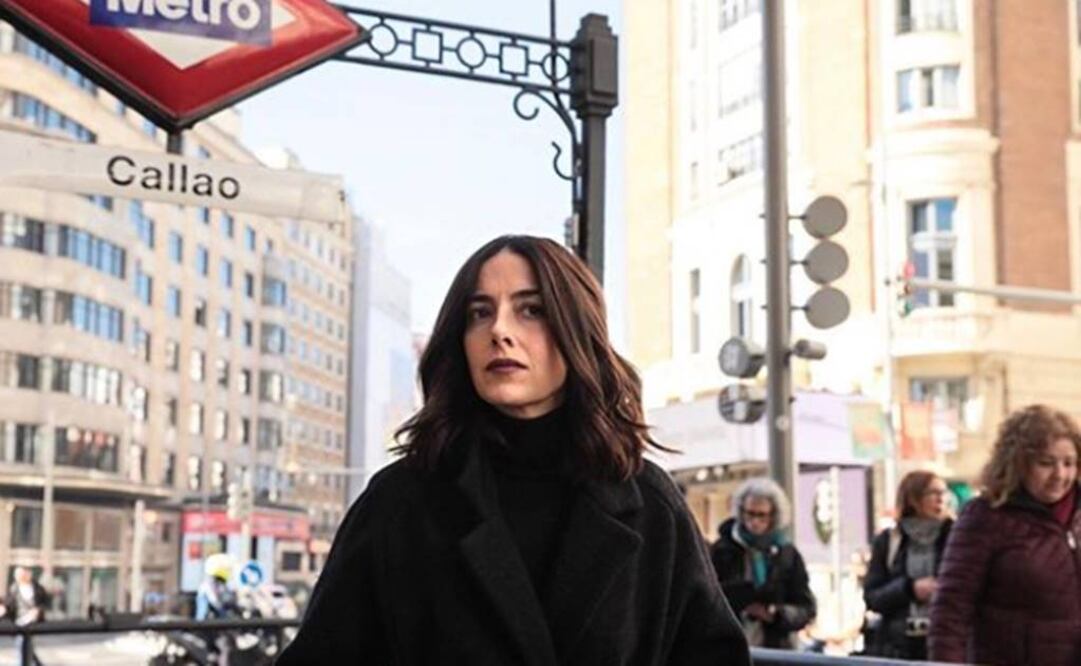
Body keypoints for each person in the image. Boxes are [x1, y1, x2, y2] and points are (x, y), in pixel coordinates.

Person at [278, 235, 751, 665]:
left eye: (531, 309)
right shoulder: (400, 500)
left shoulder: (648, 502)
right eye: (479, 313)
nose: (499, 331)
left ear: (575, 330)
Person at [929, 404, 1081, 665]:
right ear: (1018, 464)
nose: (1060, 475)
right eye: (1046, 463)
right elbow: (950, 614)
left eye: (1069, 463)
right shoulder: (986, 517)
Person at [710, 478, 816, 650]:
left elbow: (806, 608)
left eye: (761, 515)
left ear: (773, 516)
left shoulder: (786, 554)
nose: (755, 521)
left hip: (775, 647)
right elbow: (706, 598)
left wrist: (775, 613)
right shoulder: (722, 550)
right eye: (749, 513)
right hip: (728, 646)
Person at [862, 470, 953, 660]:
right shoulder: (889, 541)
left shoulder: (956, 538)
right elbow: (872, 597)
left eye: (943, 493)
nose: (940, 499)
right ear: (913, 498)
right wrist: (909, 589)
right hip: (897, 647)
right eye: (933, 493)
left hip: (944, 642)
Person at [1, 567, 48, 666]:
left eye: (21, 575)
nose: (18, 578)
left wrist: (38, 610)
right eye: (17, 576)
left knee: (24, 645)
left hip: (33, 622)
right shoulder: (14, 588)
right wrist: (4, 609)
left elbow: (43, 603)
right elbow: (9, 603)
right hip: (19, 622)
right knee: (24, 645)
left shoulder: (38, 588)